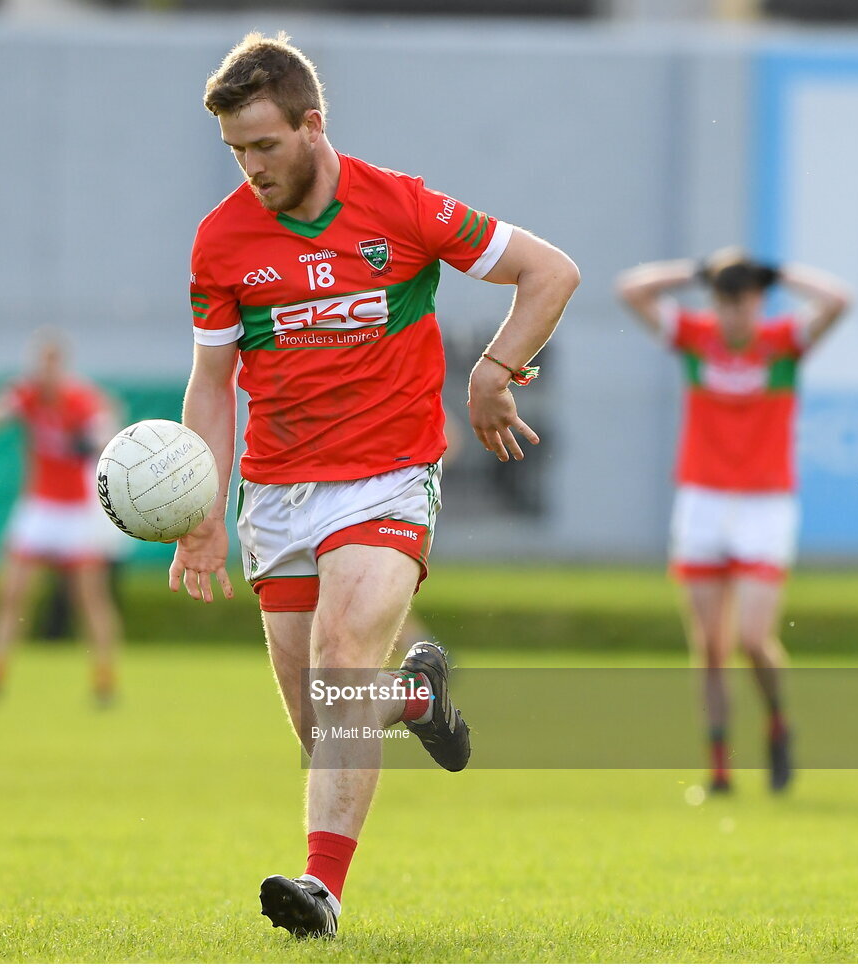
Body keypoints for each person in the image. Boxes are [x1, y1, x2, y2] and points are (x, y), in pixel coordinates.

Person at [170, 32, 579, 937]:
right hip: (275, 493)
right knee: (327, 718)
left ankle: (321, 895)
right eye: (235, 150)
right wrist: (202, 514)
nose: (250, 168)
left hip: (388, 479)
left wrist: (494, 369)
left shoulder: (401, 205)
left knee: (343, 655)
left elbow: (550, 273)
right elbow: (211, 386)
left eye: (264, 145)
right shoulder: (222, 242)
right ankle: (416, 697)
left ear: (313, 126)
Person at [616, 247, 851, 794]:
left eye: (743, 302)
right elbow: (631, 289)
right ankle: (720, 768)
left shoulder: (784, 344)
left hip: (765, 504)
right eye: (723, 301)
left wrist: (780, 270)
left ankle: (777, 722)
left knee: (752, 638)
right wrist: (698, 269)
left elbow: (841, 300)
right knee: (711, 647)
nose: (733, 314)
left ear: (759, 302)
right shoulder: (697, 338)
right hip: (702, 500)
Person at [0, 331, 124, 707]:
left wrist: (92, 442)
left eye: (50, 362)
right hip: (40, 507)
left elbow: (107, 427)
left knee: (90, 598)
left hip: (77, 510)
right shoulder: (27, 395)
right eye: (39, 361)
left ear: (61, 365)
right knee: (9, 595)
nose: (43, 370)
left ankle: (105, 682)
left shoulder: (79, 398)